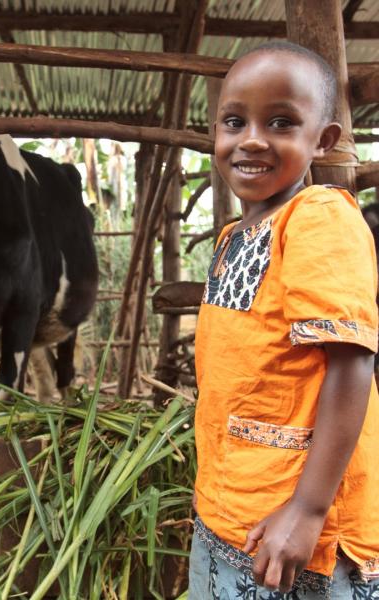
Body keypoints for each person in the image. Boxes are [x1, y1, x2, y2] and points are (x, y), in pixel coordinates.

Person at [189, 41, 379, 599]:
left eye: (280, 122)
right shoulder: (233, 237)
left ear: (323, 141)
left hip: (299, 530)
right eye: (234, 120)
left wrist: (309, 507)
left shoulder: (318, 217)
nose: (251, 138)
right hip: (235, 507)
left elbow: (352, 363)